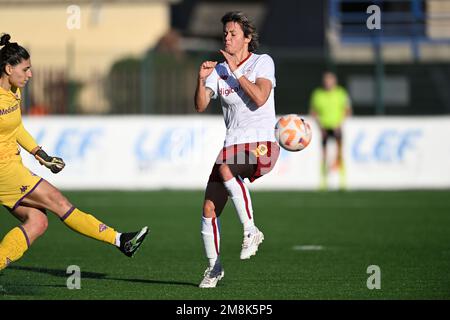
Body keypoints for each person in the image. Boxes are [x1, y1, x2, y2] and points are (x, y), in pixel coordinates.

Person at [0, 34, 149, 271]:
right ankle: (120, 240)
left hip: (13, 166)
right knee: (59, 202)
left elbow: (15, 128)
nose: (30, 75)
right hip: (4, 172)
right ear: (8, 68)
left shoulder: (13, 93)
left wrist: (41, 154)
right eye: (25, 69)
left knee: (37, 222)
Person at [194, 12, 280, 288]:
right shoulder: (219, 70)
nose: (227, 38)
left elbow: (260, 96)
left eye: (233, 33)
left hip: (262, 145)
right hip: (232, 146)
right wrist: (201, 80)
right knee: (208, 208)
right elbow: (200, 105)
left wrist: (236, 71)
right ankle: (214, 268)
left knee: (226, 168)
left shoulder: (261, 62)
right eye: (225, 34)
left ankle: (251, 230)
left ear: (247, 37)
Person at [309, 71, 352, 189]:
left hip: (336, 127)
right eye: (326, 80)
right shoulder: (318, 94)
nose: (328, 82)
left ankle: (343, 182)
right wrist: (320, 126)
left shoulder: (341, 93)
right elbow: (313, 111)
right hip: (324, 127)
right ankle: (323, 182)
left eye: (330, 80)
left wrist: (340, 124)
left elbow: (347, 110)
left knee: (339, 153)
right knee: (324, 155)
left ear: (335, 81)